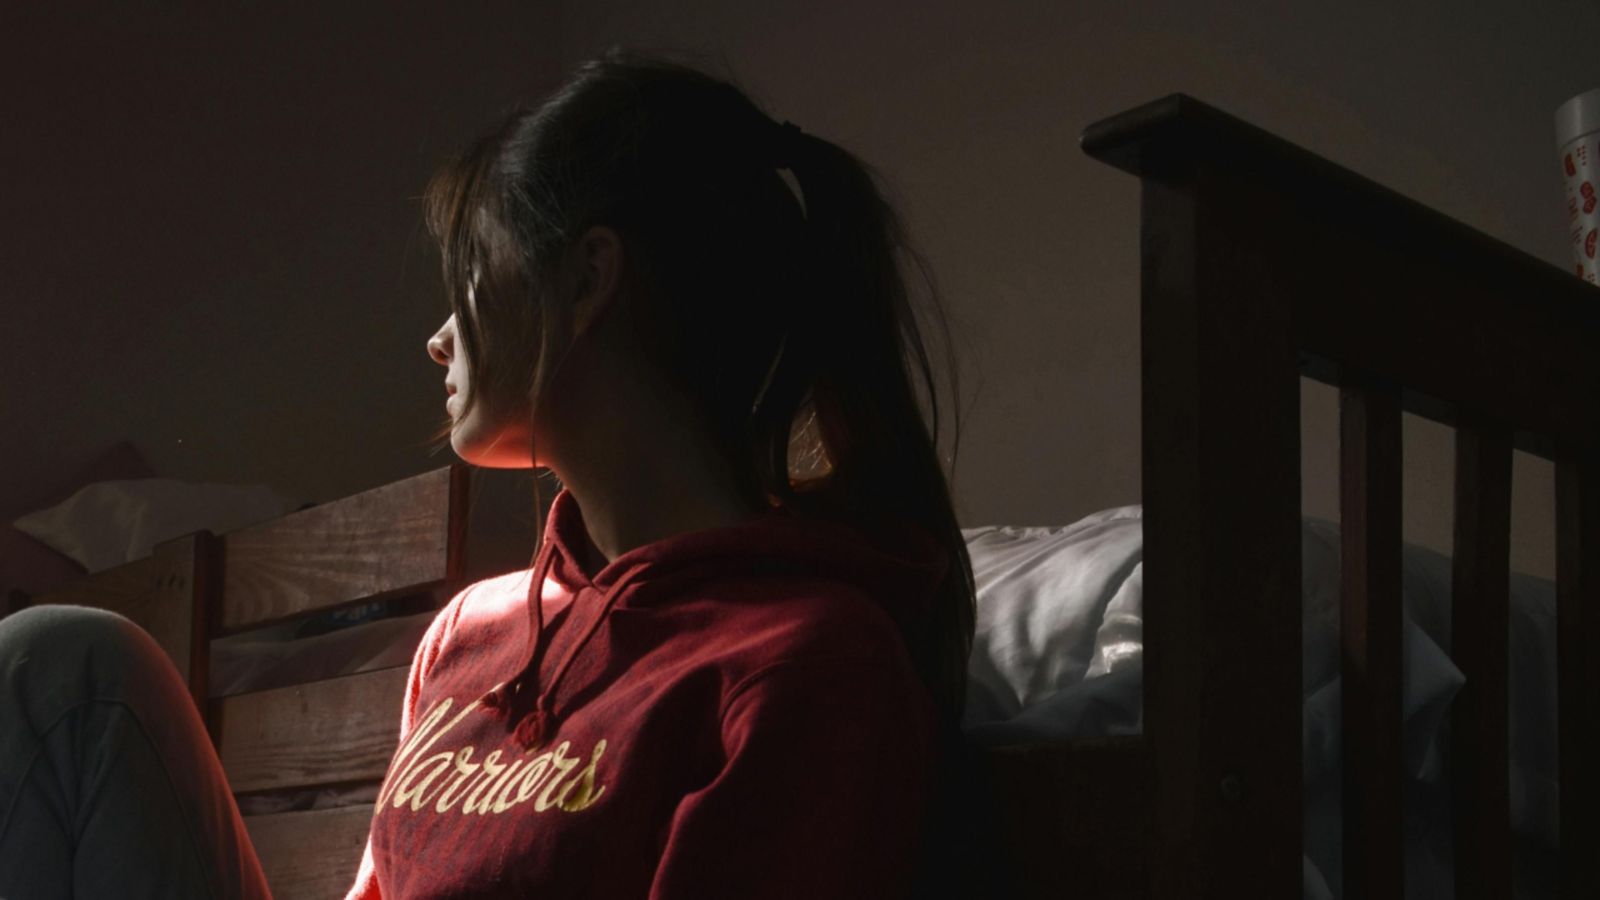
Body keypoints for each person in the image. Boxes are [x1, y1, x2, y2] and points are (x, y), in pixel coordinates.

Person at [0, 48, 989, 899]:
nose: (438, 340)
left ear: (587, 279)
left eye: (470, 272)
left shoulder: (802, 665)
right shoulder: (473, 632)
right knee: (71, 665)